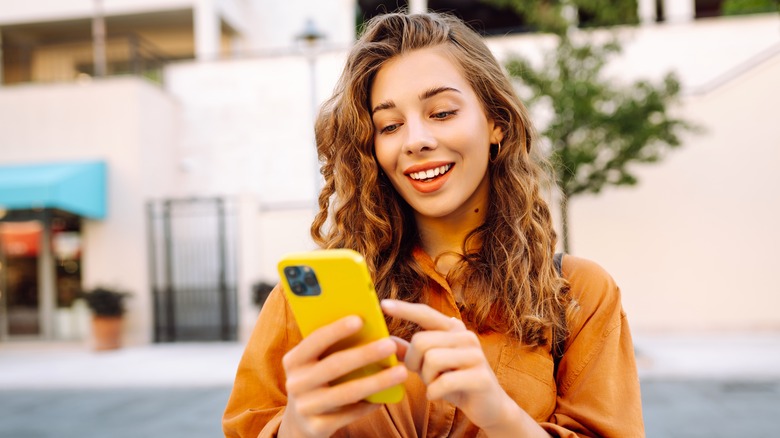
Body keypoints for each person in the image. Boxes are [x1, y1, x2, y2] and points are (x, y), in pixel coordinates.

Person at [223, 11, 644, 438]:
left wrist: (500, 415)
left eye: (441, 113)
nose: (415, 140)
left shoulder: (579, 295)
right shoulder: (306, 299)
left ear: (495, 122)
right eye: (389, 125)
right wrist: (296, 429)